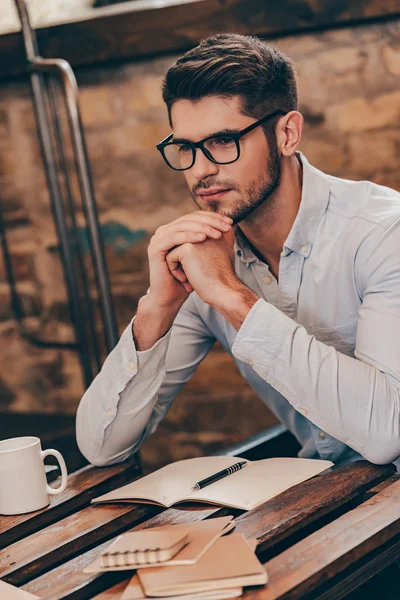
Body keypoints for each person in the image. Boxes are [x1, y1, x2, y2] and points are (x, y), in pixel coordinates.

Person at [76, 33, 400, 467]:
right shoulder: (201, 260)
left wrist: (233, 298)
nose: (202, 170)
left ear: (287, 133)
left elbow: (387, 434)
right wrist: (157, 307)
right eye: (186, 148)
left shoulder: (382, 233)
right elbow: (102, 447)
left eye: (224, 141)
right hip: (327, 499)